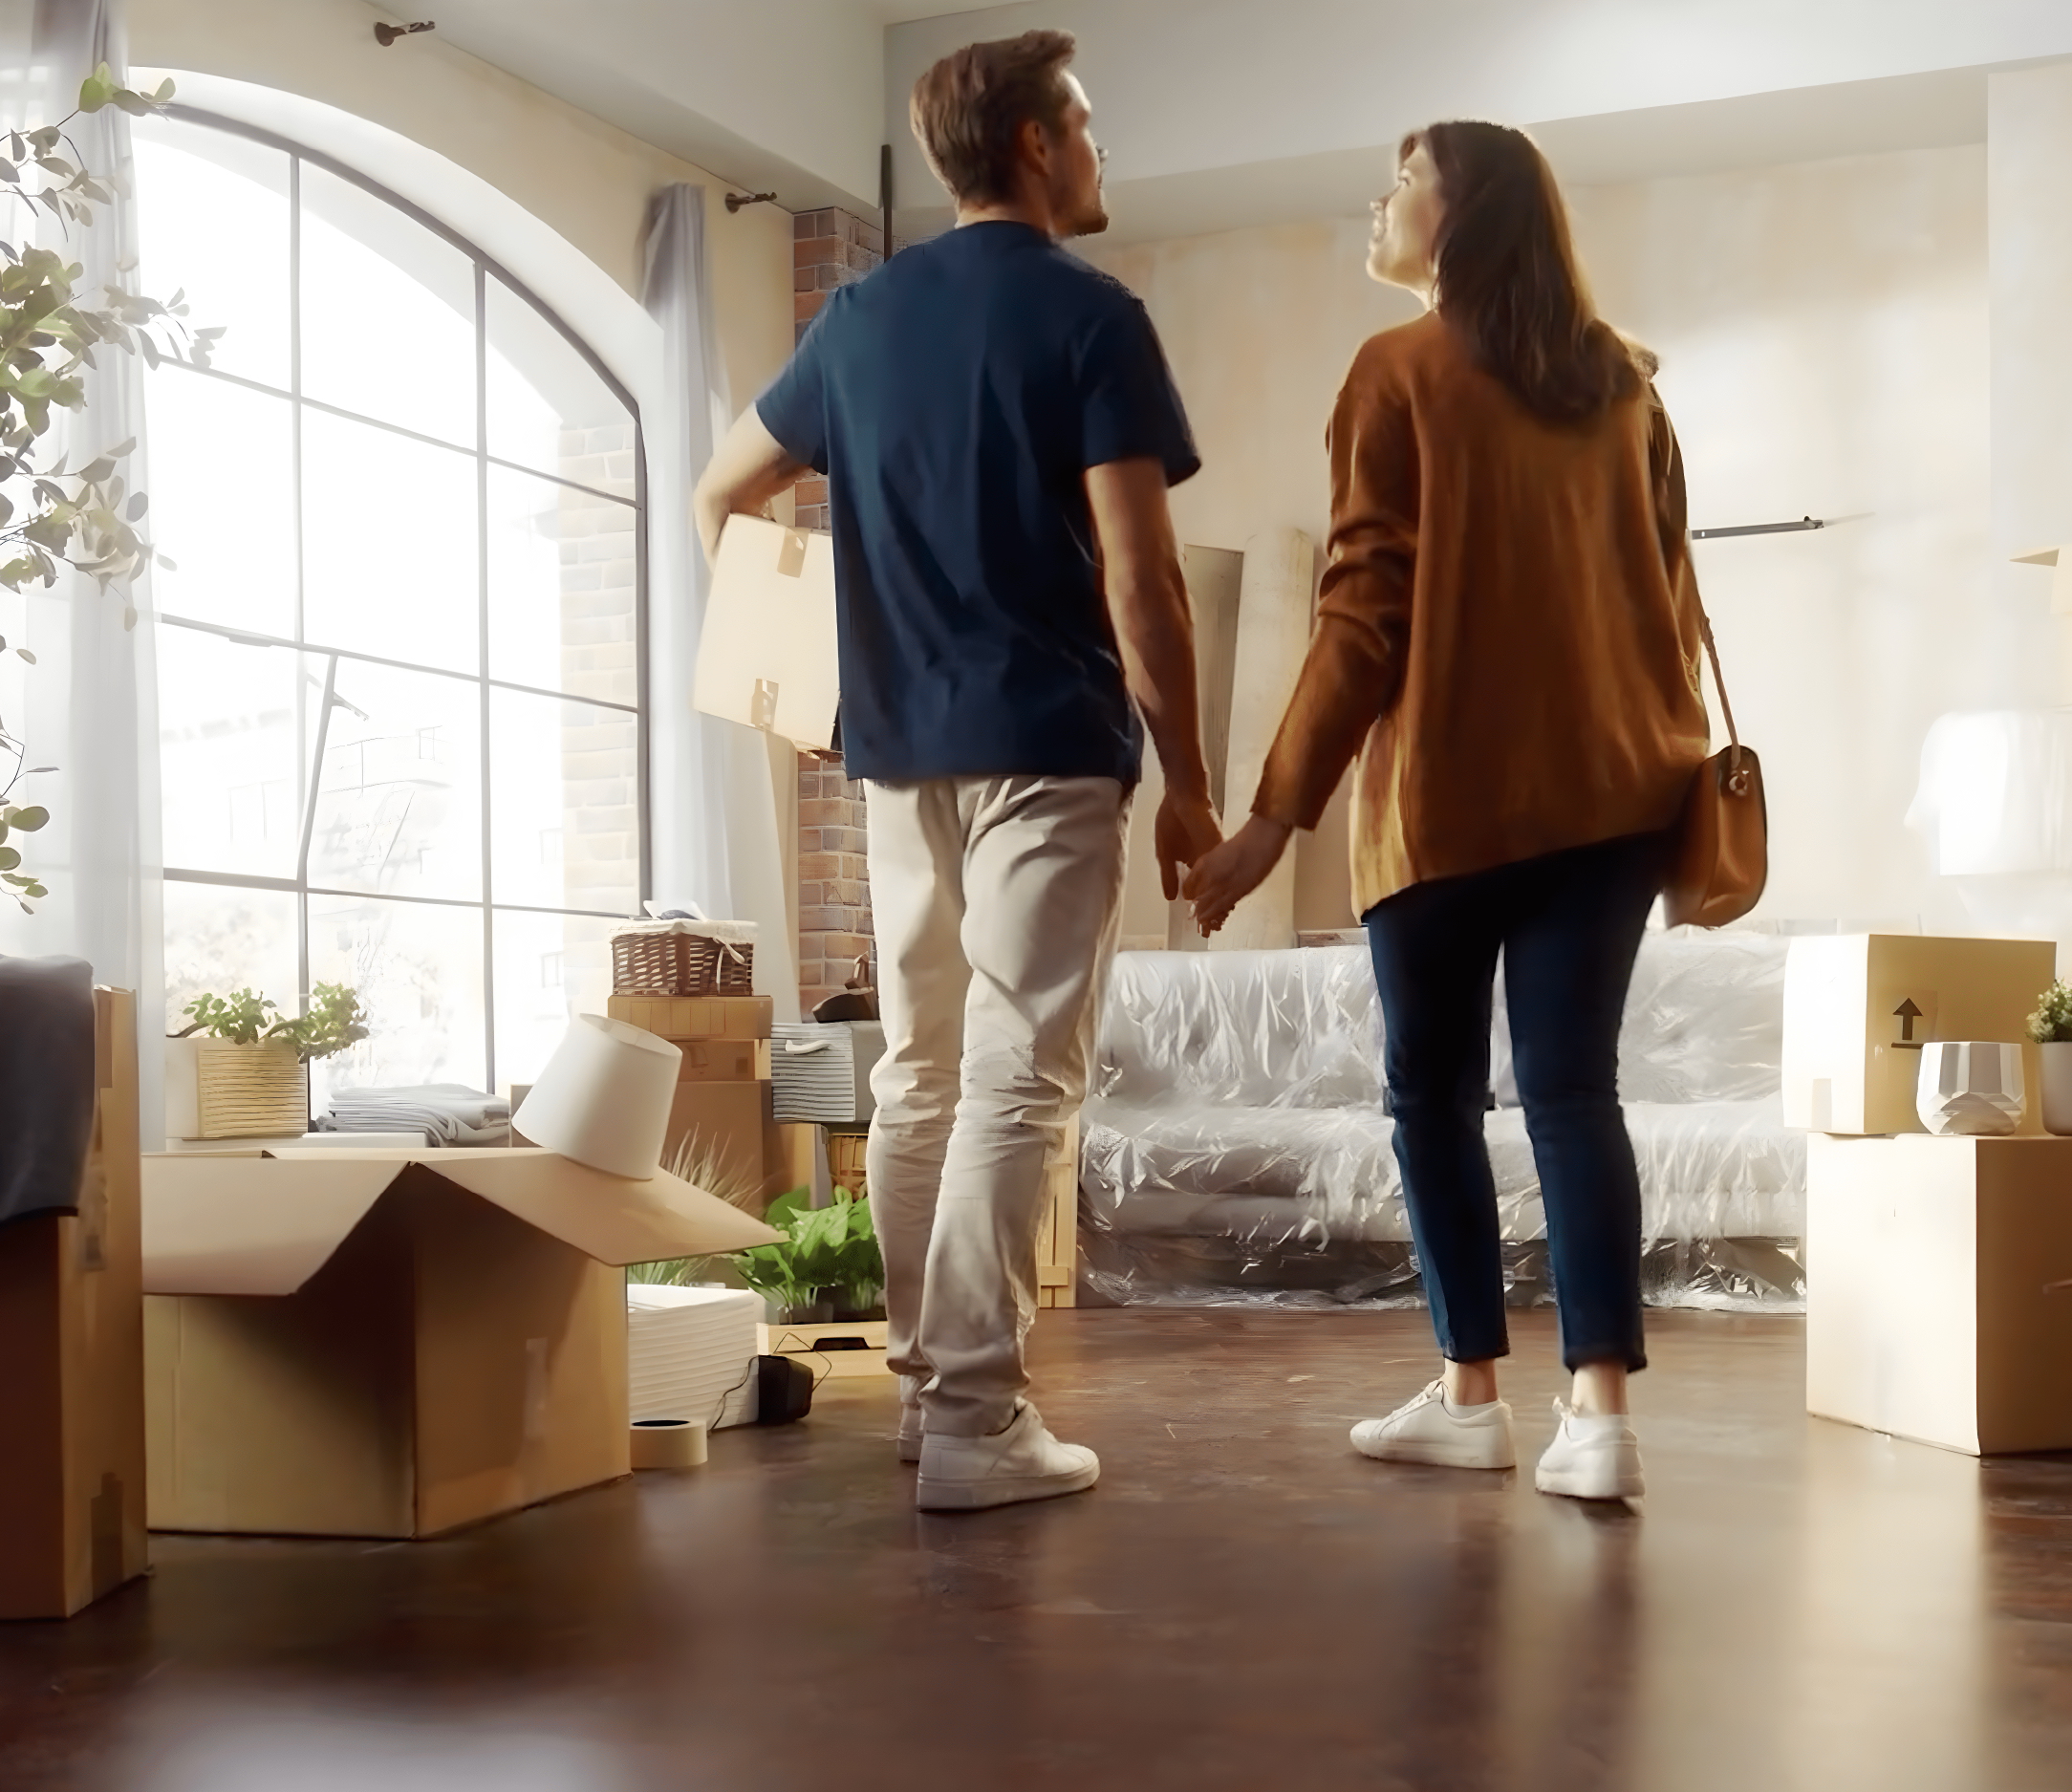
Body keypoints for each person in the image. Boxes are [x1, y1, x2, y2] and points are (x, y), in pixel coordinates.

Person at [694, 30, 1219, 1513]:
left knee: (921, 1073)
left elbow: (720, 492)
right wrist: (1190, 779)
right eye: (1090, 125)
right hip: (1045, 746)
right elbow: (1142, 577)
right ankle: (983, 1418)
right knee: (1015, 1077)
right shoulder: (1093, 318)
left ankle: (935, 1403)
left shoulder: (855, 317)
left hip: (895, 753)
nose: (1101, 150)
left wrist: (785, 680)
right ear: (1039, 146)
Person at [1184, 121, 1712, 1502]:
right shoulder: (1625, 390)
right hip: (1613, 794)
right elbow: (1671, 602)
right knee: (1571, 1092)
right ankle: (1596, 1420)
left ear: (1458, 216)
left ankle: (1471, 1391)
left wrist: (1270, 815)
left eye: (1402, 181)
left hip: (1447, 803)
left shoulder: (1395, 374)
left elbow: (1364, 613)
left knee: (1431, 1095)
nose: (1380, 198)